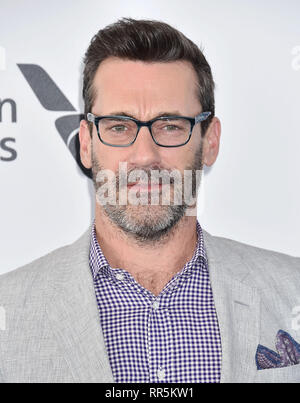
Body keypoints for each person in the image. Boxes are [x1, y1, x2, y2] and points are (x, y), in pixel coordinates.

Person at [0, 18, 299, 384]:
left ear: (210, 141)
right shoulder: (8, 312)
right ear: (87, 144)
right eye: (119, 126)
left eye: (170, 125)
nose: (144, 155)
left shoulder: (292, 291)